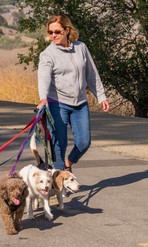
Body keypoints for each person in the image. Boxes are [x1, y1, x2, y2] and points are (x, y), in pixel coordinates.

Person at [36, 14, 109, 173]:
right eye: (50, 32)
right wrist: (43, 98)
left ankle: (68, 163)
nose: (53, 35)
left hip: (80, 103)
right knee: (59, 143)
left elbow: (91, 74)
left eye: (57, 31)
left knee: (84, 142)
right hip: (57, 103)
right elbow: (43, 78)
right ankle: (58, 180)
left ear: (67, 30)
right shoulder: (48, 54)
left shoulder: (80, 47)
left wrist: (101, 96)